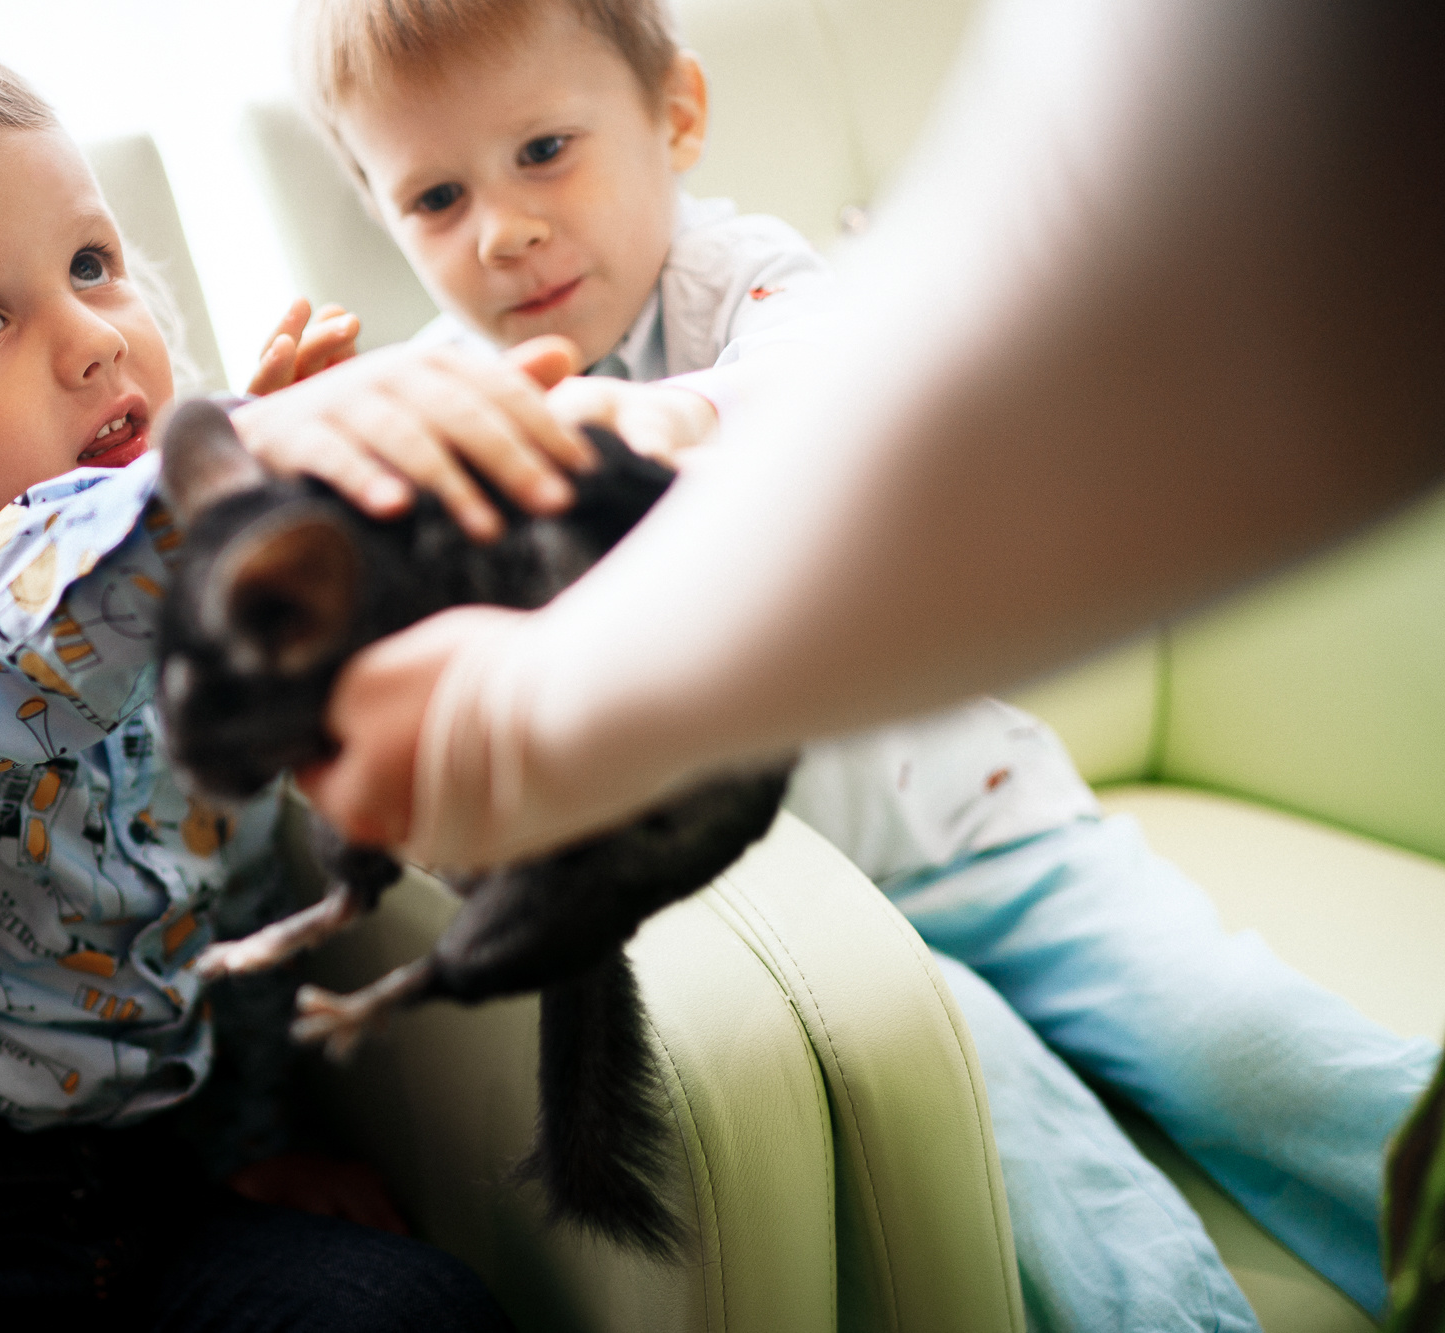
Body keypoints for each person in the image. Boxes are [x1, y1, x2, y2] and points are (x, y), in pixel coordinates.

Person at [291, 0, 1439, 1324]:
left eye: (545, 148)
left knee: (1250, 1042)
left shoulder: (744, 279)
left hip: (996, 832)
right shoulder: (458, 405)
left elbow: (832, 379)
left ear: (676, 117)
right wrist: (300, 438)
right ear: (384, 218)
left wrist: (671, 415)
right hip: (839, 922)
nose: (503, 227)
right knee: (1059, 1202)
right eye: (436, 196)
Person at [0, 35, 593, 1332]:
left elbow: (253, 904)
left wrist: (254, 1141)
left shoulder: (207, 621)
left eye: (90, 264)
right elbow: (20, 643)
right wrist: (210, 487)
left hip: (153, 1193)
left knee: (416, 1312)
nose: (96, 338)